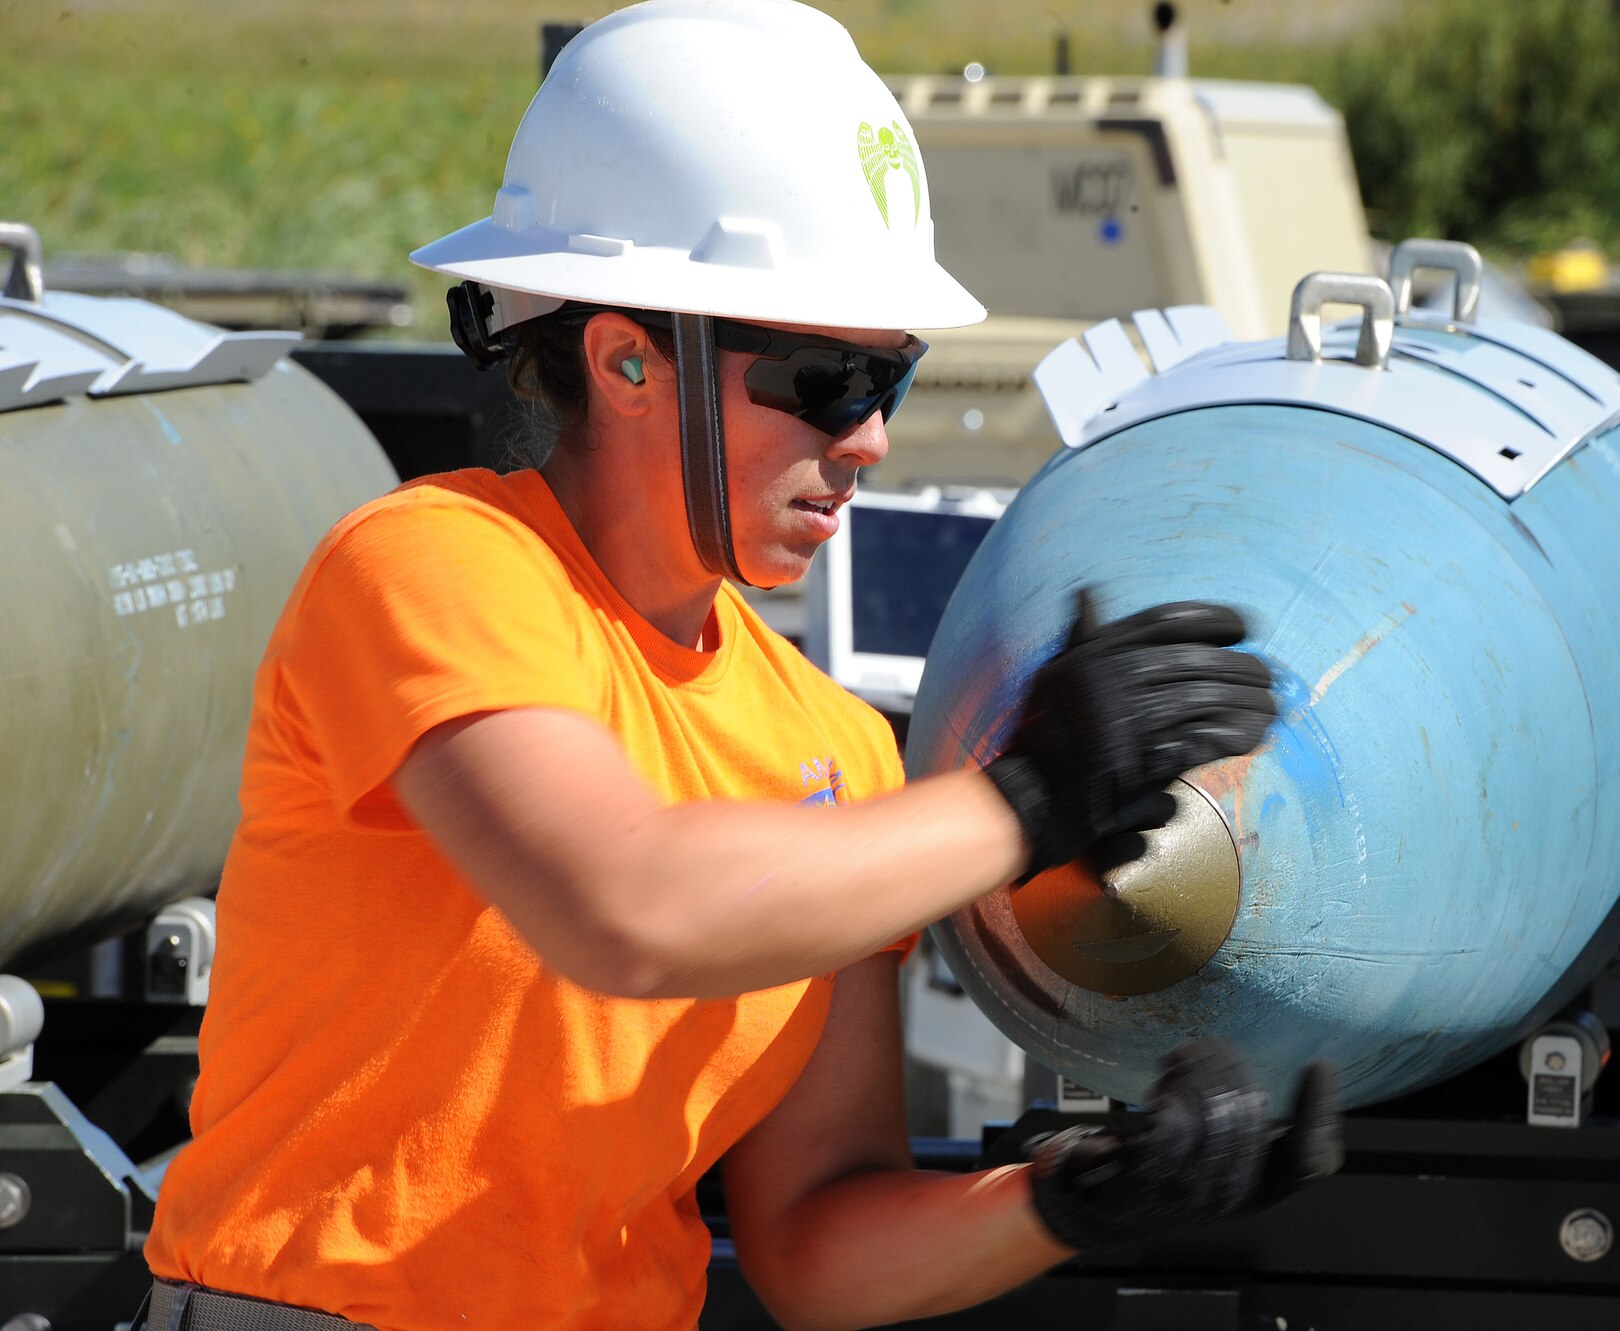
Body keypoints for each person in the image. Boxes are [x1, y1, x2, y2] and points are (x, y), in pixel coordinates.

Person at [141, 3, 1335, 1329]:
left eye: (894, 377)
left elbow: (817, 1244)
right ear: (627, 358)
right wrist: (1028, 799)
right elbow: (628, 908)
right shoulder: (432, 567)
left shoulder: (827, 746)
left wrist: (1069, 1200)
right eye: (826, 378)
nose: (872, 438)